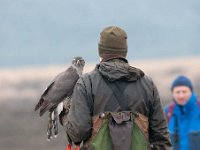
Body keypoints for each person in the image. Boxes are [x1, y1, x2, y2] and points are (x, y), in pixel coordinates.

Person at [60, 26, 171, 149]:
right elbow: (161, 138)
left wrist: (65, 116)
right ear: (125, 51)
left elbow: (78, 133)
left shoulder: (87, 83)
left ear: (100, 51)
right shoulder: (147, 84)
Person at [165, 75, 200, 150]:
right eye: (177, 92)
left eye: (184, 91)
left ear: (191, 91)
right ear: (172, 93)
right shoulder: (167, 112)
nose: (181, 96)